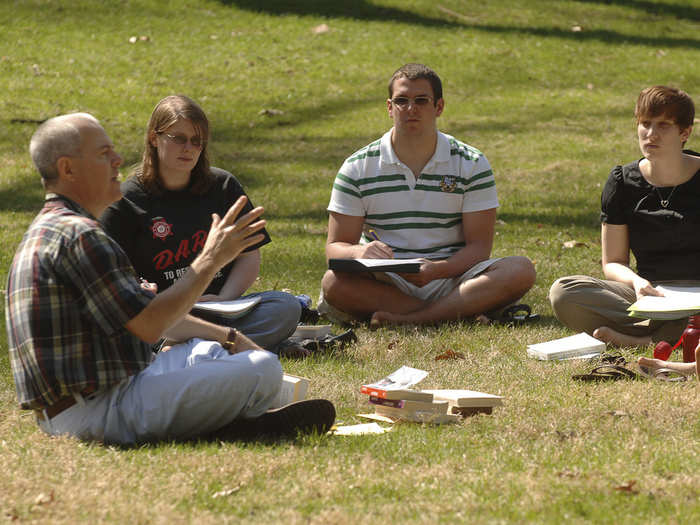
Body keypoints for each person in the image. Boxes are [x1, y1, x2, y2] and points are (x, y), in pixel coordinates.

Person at [5, 113, 335, 445]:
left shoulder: (55, 228)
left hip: (97, 396)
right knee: (264, 369)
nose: (118, 159)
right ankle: (235, 420)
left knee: (207, 350)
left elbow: (145, 319)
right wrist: (210, 259)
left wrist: (231, 336)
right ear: (67, 169)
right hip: (98, 410)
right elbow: (150, 327)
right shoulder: (79, 235)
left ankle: (229, 417)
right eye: (104, 153)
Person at [319, 63, 536, 326]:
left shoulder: (471, 162)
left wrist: (437, 270)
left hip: (454, 276)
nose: (411, 109)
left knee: (520, 270)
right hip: (388, 281)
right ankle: (452, 315)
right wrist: (358, 253)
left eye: (421, 100)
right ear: (389, 108)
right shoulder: (357, 166)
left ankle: (416, 318)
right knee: (333, 282)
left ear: (439, 107)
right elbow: (335, 248)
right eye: (402, 101)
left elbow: (479, 247)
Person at [100, 95, 302, 354]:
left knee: (285, 306)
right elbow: (115, 284)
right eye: (179, 138)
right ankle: (231, 346)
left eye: (197, 141)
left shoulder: (222, 186)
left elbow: (249, 255)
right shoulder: (125, 201)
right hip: (165, 315)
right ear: (154, 138)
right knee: (131, 329)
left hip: (221, 308)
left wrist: (224, 297)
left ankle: (190, 350)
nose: (189, 148)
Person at [549, 86, 700, 347]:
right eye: (645, 123)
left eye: (663, 125)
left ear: (684, 132)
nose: (651, 134)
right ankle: (669, 333)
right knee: (564, 292)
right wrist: (637, 282)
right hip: (652, 293)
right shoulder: (622, 182)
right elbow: (614, 262)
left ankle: (645, 339)